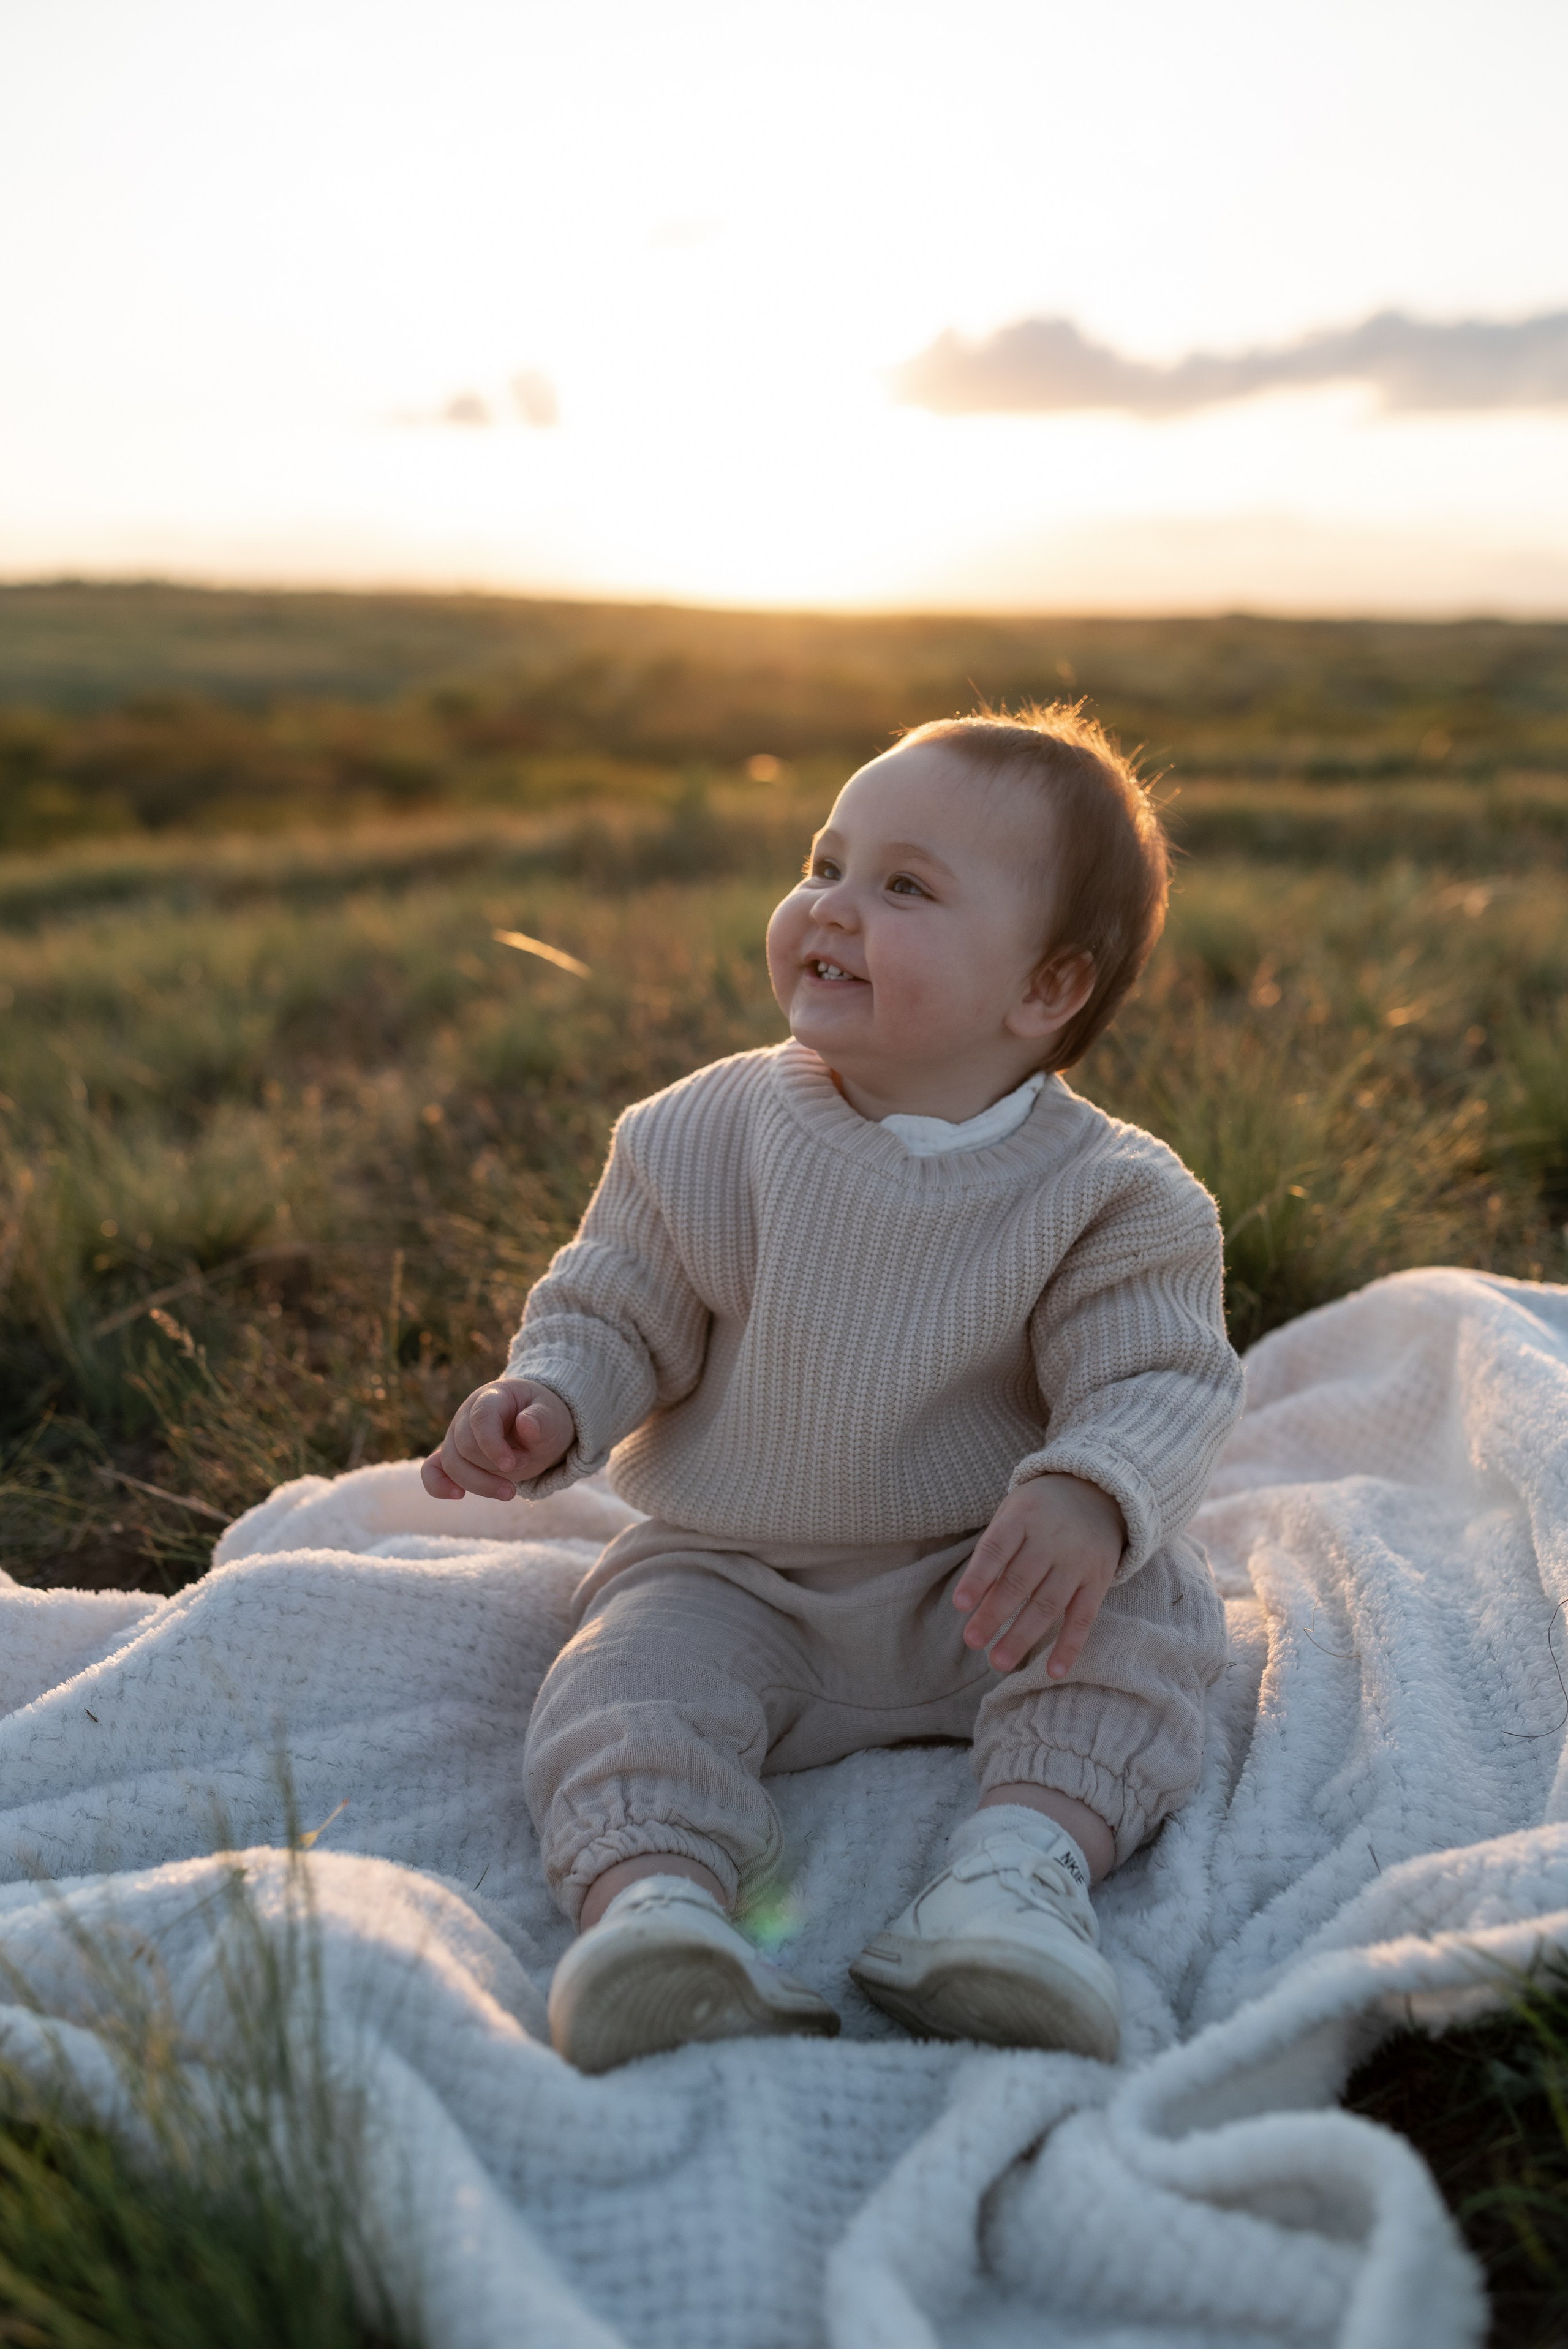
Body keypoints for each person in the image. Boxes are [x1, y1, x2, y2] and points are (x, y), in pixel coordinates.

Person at [423, 705, 1244, 2073]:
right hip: (740, 1570)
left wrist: (1087, 1496)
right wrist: (553, 1395)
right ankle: (658, 1914)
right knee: (625, 1669)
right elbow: (617, 1300)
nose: (830, 907)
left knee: (1156, 1613)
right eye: (821, 864)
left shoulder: (1116, 1196)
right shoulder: (699, 1130)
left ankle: (1012, 1878)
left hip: (983, 1577)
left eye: (901, 886)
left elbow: (1154, 1372)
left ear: (1042, 989)